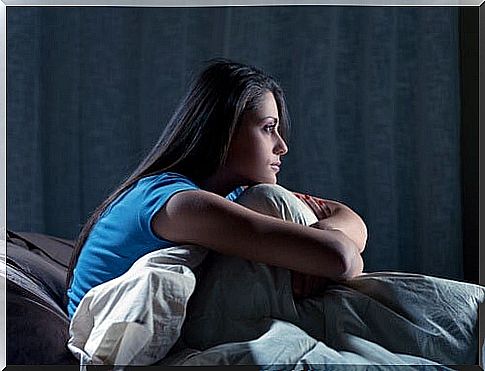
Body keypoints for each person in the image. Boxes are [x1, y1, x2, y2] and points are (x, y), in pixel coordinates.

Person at [66, 59, 367, 319]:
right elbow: (341, 259)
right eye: (268, 128)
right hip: (123, 345)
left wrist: (319, 238)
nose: (282, 146)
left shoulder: (233, 195)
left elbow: (349, 219)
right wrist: (320, 251)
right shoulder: (181, 204)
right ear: (226, 130)